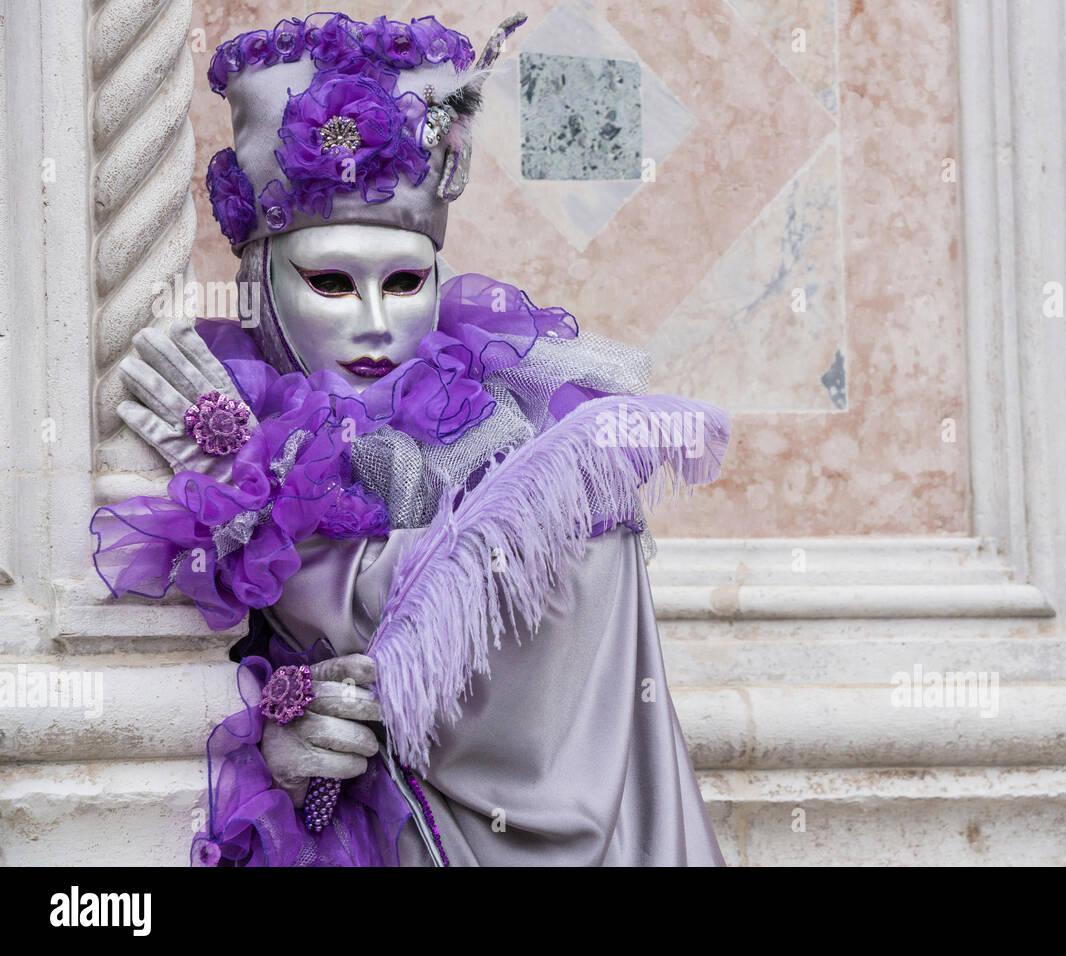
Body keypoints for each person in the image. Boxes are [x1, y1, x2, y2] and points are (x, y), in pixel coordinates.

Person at [91, 11, 729, 866]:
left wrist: (254, 501)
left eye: (404, 281)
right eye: (328, 281)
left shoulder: (524, 432)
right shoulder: (246, 405)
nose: (375, 324)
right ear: (264, 283)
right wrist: (273, 713)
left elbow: (482, 628)